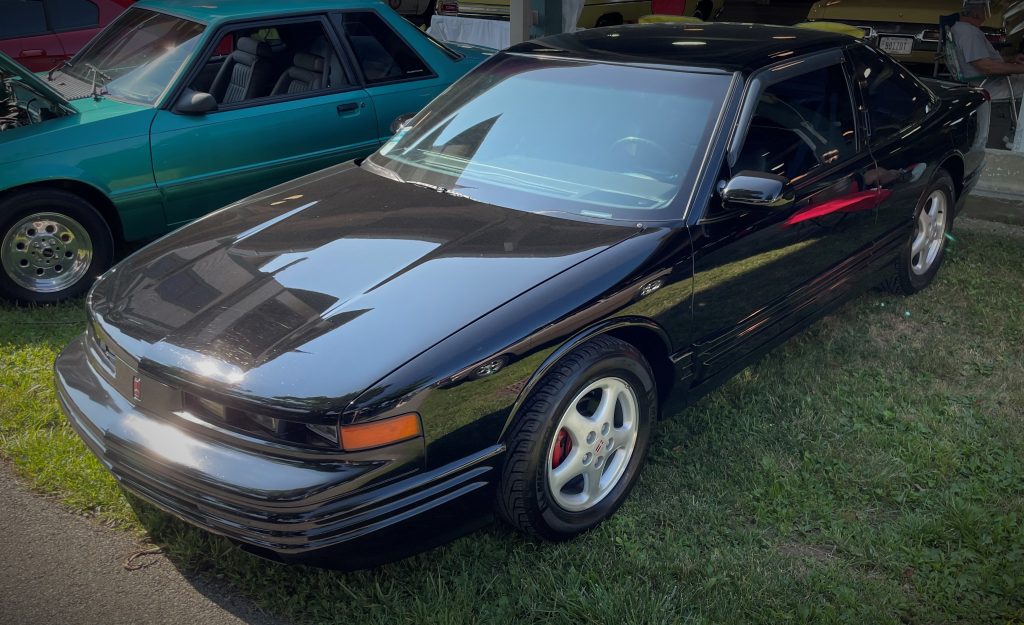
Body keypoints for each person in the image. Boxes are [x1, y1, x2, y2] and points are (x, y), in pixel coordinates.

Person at [951, 0, 1024, 101]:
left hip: (982, 82)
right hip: (988, 87)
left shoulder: (958, 28)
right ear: (976, 13)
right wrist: (1021, 68)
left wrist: (1012, 59)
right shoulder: (970, 34)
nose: (986, 14)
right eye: (985, 9)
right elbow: (987, 67)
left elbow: (984, 60)